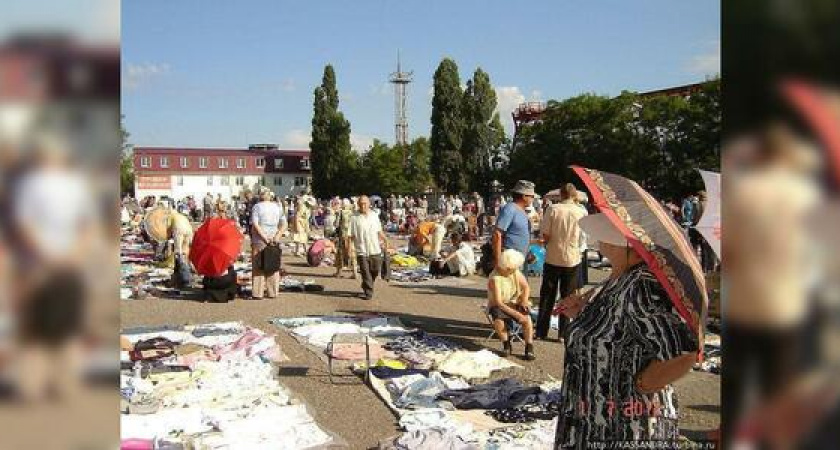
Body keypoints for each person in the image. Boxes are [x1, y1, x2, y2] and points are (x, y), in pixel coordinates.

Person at [553, 213, 698, 448]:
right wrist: (582, 315)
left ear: (617, 242)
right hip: (594, 419)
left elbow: (684, 351)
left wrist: (645, 383)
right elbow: (616, 330)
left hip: (627, 428)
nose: (598, 241)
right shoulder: (618, 278)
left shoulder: (641, 285)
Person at [536, 183, 586, 341]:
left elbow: (546, 234)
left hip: (553, 256)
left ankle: (541, 331)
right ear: (574, 195)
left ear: (561, 195)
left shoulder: (553, 209)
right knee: (568, 296)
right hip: (572, 258)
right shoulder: (582, 212)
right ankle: (563, 333)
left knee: (547, 295)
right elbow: (584, 238)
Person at [487, 249, 535, 360]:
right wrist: (517, 315)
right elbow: (499, 302)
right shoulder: (495, 278)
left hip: (513, 301)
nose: (515, 271)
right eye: (513, 269)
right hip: (498, 304)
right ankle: (506, 344)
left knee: (527, 319)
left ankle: (529, 346)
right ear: (507, 268)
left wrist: (524, 299)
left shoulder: (514, 271)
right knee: (499, 320)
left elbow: (526, 287)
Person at [348, 195, 389, 300]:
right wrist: (349, 248)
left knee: (375, 270)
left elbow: (379, 231)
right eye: (361, 203)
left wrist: (386, 240)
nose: (363, 205)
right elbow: (350, 235)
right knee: (365, 272)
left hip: (374, 248)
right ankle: (368, 292)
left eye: (365, 203)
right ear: (358, 205)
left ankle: (367, 284)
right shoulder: (354, 217)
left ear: (369, 204)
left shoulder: (374, 216)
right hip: (361, 249)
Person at [250, 189, 287, 299]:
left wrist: (264, 237)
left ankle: (258, 293)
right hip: (274, 238)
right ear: (270, 197)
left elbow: (256, 224)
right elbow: (284, 223)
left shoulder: (257, 207)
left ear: (260, 197)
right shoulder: (278, 207)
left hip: (260, 239)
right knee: (273, 265)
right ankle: (273, 292)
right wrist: (278, 236)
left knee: (258, 266)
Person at [492, 180, 535, 270]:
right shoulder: (510, 209)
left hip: (520, 261)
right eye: (532, 196)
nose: (533, 199)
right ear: (524, 196)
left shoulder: (522, 211)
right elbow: (497, 234)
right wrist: (498, 261)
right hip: (509, 261)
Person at [334, 199, 358, 279]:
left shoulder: (340, 212)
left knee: (340, 253)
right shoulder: (353, 212)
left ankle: (338, 272)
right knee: (352, 253)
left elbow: (336, 224)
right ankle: (355, 273)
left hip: (343, 235)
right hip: (352, 235)